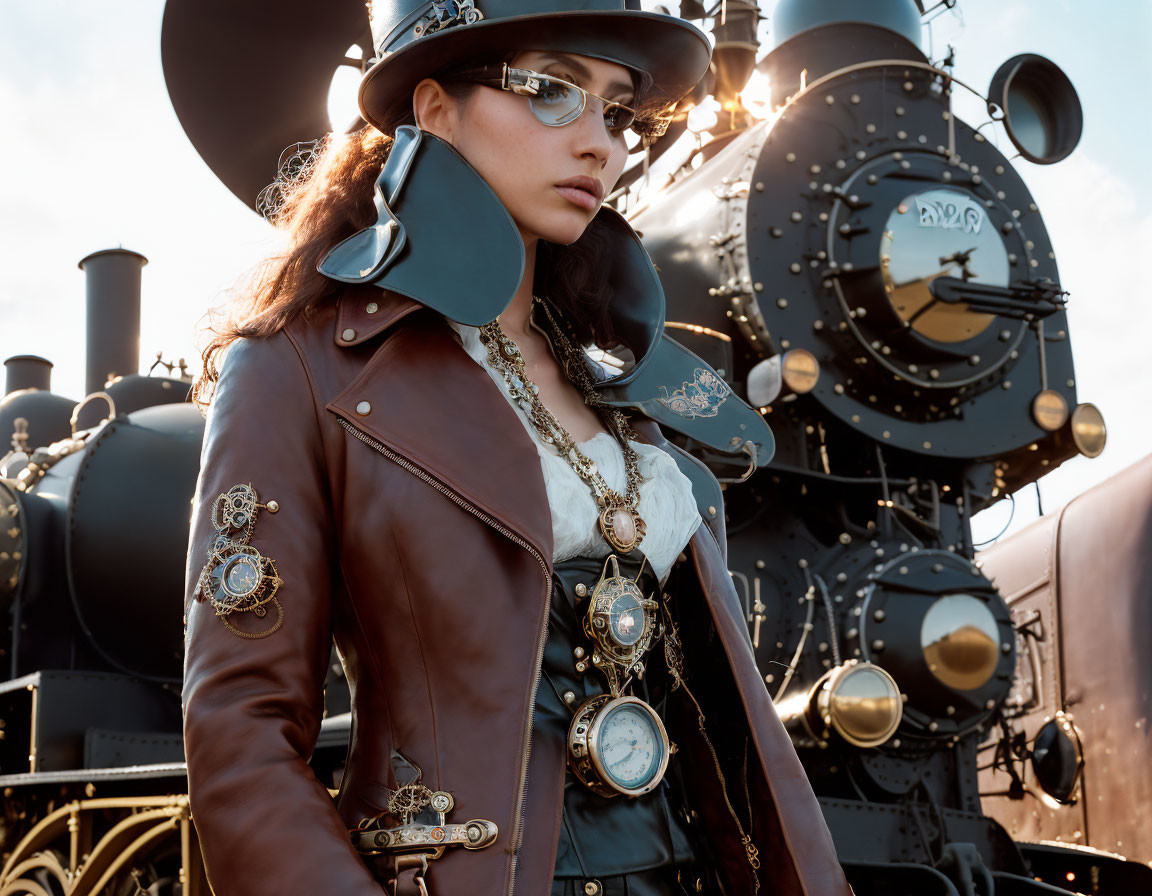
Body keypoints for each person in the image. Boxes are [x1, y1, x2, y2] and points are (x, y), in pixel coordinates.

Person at [182, 2, 852, 895]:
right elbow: (241, 733)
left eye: (615, 110)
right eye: (549, 91)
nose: (601, 146)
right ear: (433, 108)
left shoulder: (623, 388)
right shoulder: (295, 370)